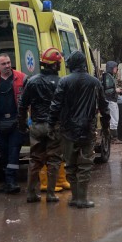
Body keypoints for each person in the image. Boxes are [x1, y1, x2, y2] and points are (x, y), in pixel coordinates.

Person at [49, 51, 110, 208]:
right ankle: (82, 198)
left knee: (70, 164)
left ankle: (76, 197)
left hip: (68, 130)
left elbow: (55, 105)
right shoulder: (94, 82)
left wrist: (51, 124)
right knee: (85, 164)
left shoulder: (64, 81)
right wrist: (106, 126)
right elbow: (104, 105)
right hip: (87, 129)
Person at [17, 47, 64, 203]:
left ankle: (31, 193)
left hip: (37, 125)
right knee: (54, 160)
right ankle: (50, 193)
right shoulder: (60, 83)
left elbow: (22, 105)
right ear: (54, 65)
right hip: (54, 126)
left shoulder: (32, 81)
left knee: (35, 160)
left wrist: (22, 124)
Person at [0, 53, 27, 194]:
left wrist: (29, 117)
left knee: (14, 151)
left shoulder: (22, 78)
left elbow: (28, 99)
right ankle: (8, 182)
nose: (7, 66)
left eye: (8, 63)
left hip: (16, 121)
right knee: (4, 152)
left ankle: (11, 182)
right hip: (0, 121)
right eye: (4, 64)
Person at [101, 61, 122, 144]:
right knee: (114, 119)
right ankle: (114, 138)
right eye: (115, 67)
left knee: (114, 119)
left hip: (111, 100)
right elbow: (107, 90)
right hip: (110, 100)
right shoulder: (107, 76)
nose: (116, 69)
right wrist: (115, 90)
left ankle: (112, 137)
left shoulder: (109, 76)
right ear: (111, 68)